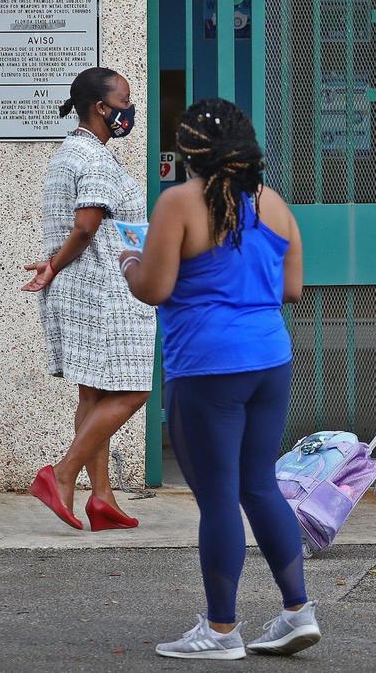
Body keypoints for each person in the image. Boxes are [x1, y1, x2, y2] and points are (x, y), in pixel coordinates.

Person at [121, 98, 319, 659]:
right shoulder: (273, 203)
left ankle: (222, 629)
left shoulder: (178, 203)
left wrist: (128, 263)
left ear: (188, 153)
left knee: (217, 499)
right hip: (269, 360)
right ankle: (297, 611)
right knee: (259, 485)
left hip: (207, 365)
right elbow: (292, 289)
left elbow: (154, 289)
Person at [23, 67, 153, 532]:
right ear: (101, 107)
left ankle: (101, 498)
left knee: (93, 392)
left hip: (82, 289)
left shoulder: (70, 152)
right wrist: (55, 264)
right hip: (106, 292)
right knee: (134, 389)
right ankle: (61, 475)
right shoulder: (95, 160)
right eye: (124, 100)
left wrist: (55, 265)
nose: (129, 108)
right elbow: (85, 225)